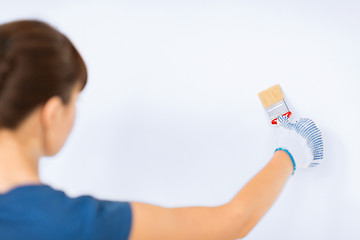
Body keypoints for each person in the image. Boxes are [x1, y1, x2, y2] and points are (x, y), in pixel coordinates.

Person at [0, 20, 323, 240]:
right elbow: (231, 222)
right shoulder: (66, 223)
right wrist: (290, 151)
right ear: (53, 113)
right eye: (76, 101)